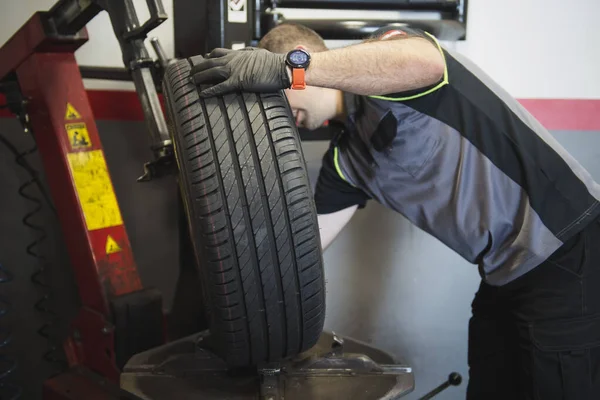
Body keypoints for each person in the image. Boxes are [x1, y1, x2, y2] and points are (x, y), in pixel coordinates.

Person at [190, 23, 600, 399]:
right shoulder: (348, 160)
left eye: (275, 94)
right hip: (505, 275)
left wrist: (286, 68)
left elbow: (421, 59)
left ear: (300, 56)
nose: (275, 110)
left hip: (569, 249)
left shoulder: (386, 61)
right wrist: (234, 277)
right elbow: (301, 253)